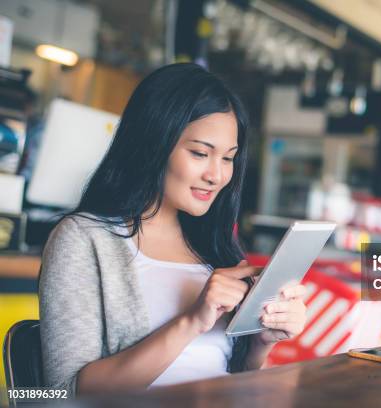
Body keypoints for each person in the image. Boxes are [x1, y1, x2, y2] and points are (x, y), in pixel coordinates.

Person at [38, 63, 307, 396]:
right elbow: (62, 393)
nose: (217, 175)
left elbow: (229, 375)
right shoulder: (84, 239)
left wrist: (261, 343)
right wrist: (191, 321)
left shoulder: (215, 247)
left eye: (228, 158)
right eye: (200, 153)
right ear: (154, 144)